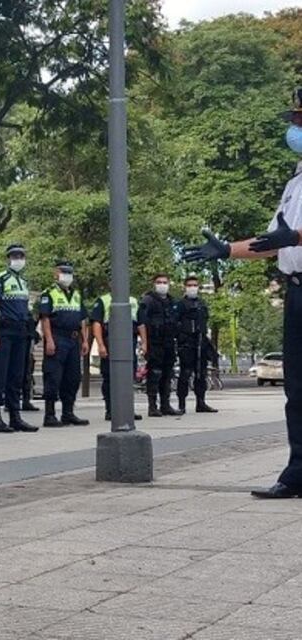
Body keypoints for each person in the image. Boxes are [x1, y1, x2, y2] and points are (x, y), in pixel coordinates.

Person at [180, 87, 302, 498]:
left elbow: (290, 236)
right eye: (294, 119)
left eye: (300, 120)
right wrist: (228, 250)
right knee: (297, 390)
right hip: (296, 291)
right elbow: (272, 240)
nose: (294, 127)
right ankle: (298, 473)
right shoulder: (295, 183)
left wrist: (295, 237)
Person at [0, 244, 38, 433]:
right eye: (15, 256)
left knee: (17, 376)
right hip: (5, 332)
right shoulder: (1, 278)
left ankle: (15, 416)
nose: (18, 259)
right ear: (8, 258)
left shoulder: (23, 281)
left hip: (20, 332)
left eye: (21, 256)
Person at [38, 261, 90, 427]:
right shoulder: (49, 293)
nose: (67, 276)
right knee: (53, 376)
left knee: (73, 378)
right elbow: (45, 318)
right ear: (56, 274)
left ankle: (68, 413)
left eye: (69, 273)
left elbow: (82, 319)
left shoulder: (76, 295)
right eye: (63, 272)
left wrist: (85, 340)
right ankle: (50, 415)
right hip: (57, 337)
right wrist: (49, 340)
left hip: (74, 339)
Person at [90, 286, 142, 422]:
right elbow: (97, 324)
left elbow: (140, 323)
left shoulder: (133, 301)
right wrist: (101, 345)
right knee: (109, 378)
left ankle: (127, 410)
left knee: (129, 378)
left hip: (129, 343)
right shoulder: (103, 300)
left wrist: (144, 343)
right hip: (110, 342)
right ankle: (111, 410)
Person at [137, 273, 181, 418]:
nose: (162, 285)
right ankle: (152, 406)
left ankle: (165, 405)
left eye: (165, 282)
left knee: (168, 374)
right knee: (154, 374)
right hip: (154, 342)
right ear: (154, 284)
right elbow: (142, 322)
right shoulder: (148, 300)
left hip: (169, 342)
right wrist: (144, 343)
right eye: (159, 282)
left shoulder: (172, 301)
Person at [176, 275, 218, 414]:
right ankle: (181, 404)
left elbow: (204, 322)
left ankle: (201, 402)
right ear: (185, 287)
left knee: (201, 373)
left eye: (195, 285)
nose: (192, 288)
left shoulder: (202, 304)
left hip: (200, 342)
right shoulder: (180, 304)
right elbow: (175, 323)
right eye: (190, 285)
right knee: (185, 373)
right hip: (186, 343)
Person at [22, 315, 41, 412]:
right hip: (21, 339)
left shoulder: (30, 315)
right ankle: (12, 402)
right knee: (19, 373)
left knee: (27, 374)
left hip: (28, 339)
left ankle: (26, 400)